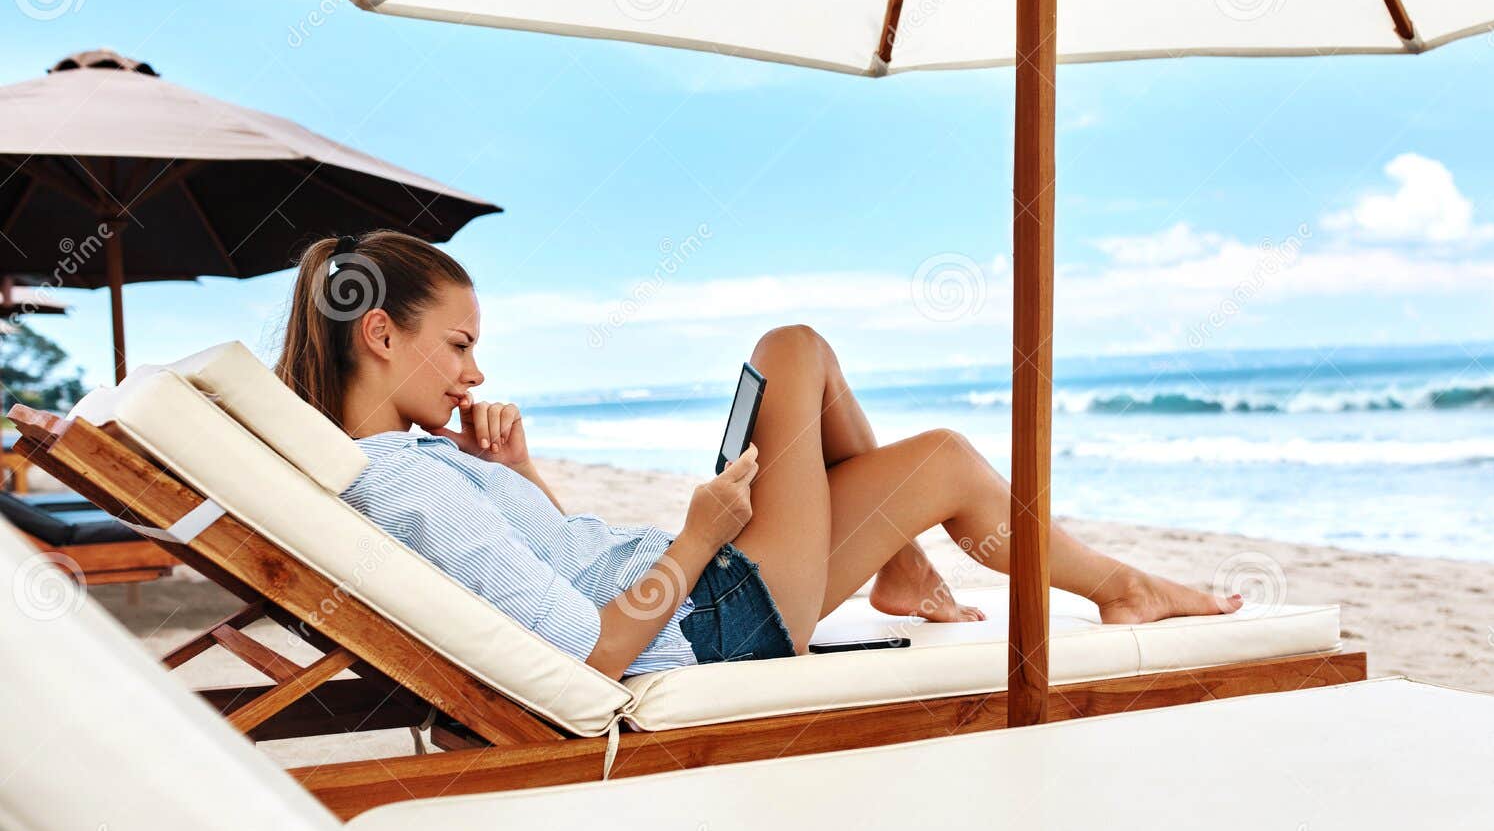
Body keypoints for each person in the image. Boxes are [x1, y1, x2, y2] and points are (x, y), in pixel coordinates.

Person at [275, 231, 1239, 680]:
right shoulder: (409, 488)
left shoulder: (411, 464)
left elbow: (554, 568)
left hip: (702, 594)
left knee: (938, 454)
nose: (476, 374)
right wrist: (700, 536)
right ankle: (1100, 585)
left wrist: (519, 472)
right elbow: (590, 653)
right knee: (795, 349)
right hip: (712, 621)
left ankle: (944, 572)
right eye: (459, 344)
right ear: (381, 337)